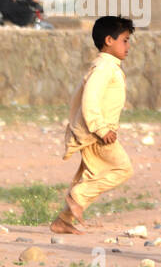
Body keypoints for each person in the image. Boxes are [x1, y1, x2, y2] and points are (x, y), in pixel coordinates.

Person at [50, 15, 135, 234]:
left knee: (93, 174)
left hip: (94, 131)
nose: (128, 46)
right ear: (109, 40)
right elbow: (90, 98)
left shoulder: (107, 65)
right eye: (124, 40)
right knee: (122, 169)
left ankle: (63, 221)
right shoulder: (105, 67)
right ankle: (76, 198)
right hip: (96, 133)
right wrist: (101, 128)